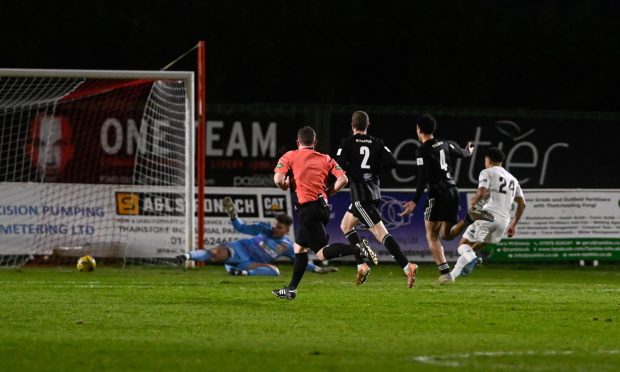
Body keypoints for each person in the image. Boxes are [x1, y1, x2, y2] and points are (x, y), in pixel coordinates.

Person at [272, 126, 370, 300]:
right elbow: (343, 179)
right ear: (315, 143)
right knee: (299, 248)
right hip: (322, 208)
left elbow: (278, 179)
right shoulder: (325, 158)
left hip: (308, 210)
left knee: (321, 253)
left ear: (298, 142)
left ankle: (358, 248)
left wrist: (285, 185)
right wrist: (329, 192)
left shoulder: (290, 156)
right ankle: (291, 289)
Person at [400, 114, 489, 284]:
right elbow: (463, 153)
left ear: (419, 129)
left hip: (437, 193)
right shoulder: (446, 144)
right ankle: (470, 217)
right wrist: (469, 151)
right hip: (453, 191)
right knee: (446, 235)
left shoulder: (422, 150)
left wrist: (415, 201)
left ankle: (446, 273)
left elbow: (423, 177)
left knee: (431, 235)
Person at [336, 111, 418, 287]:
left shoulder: (347, 143)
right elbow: (392, 162)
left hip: (361, 197)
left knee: (380, 233)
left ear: (352, 126)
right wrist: (373, 171)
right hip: (373, 193)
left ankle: (406, 266)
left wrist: (353, 172)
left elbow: (339, 166)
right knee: (345, 225)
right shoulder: (377, 142)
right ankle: (361, 264)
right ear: (368, 125)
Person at [175, 197, 338, 276]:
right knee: (215, 254)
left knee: (275, 271)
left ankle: (241, 273)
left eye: (279, 226)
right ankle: (186, 256)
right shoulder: (263, 228)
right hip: (239, 249)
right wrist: (233, 215)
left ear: (286, 230)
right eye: (275, 224)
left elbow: (300, 260)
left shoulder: (287, 246)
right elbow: (241, 227)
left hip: (251, 263)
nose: (274, 227)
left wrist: (317, 269)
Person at [450, 148, 526, 280]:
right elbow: (522, 204)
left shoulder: (487, 172)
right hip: (504, 222)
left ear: (489, 160)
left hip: (488, 215)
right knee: (471, 249)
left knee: (463, 245)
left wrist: (473, 202)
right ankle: (451, 277)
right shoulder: (513, 179)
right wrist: (514, 224)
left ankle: (474, 259)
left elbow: (481, 192)